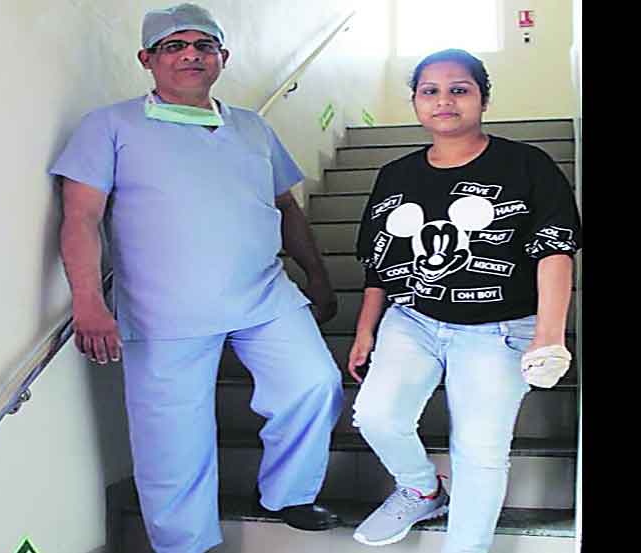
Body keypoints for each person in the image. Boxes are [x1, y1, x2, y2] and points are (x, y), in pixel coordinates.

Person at [48, 4, 344, 553]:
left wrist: (318, 277)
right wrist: (88, 301)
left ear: (222, 57)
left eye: (204, 45)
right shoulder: (109, 126)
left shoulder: (253, 127)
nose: (191, 55)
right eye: (174, 46)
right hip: (164, 310)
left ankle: (288, 493)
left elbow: (286, 206)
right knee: (173, 440)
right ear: (147, 59)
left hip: (265, 295)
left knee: (313, 383)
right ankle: (184, 544)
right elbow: (81, 217)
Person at [346, 48, 581, 551]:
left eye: (459, 89)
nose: (444, 101)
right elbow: (378, 262)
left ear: (483, 99)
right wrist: (365, 329)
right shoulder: (395, 174)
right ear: (415, 101)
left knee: (479, 450)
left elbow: (555, 249)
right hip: (413, 319)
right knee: (378, 416)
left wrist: (549, 335)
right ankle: (422, 489)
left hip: (501, 329)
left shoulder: (526, 164)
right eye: (430, 91)